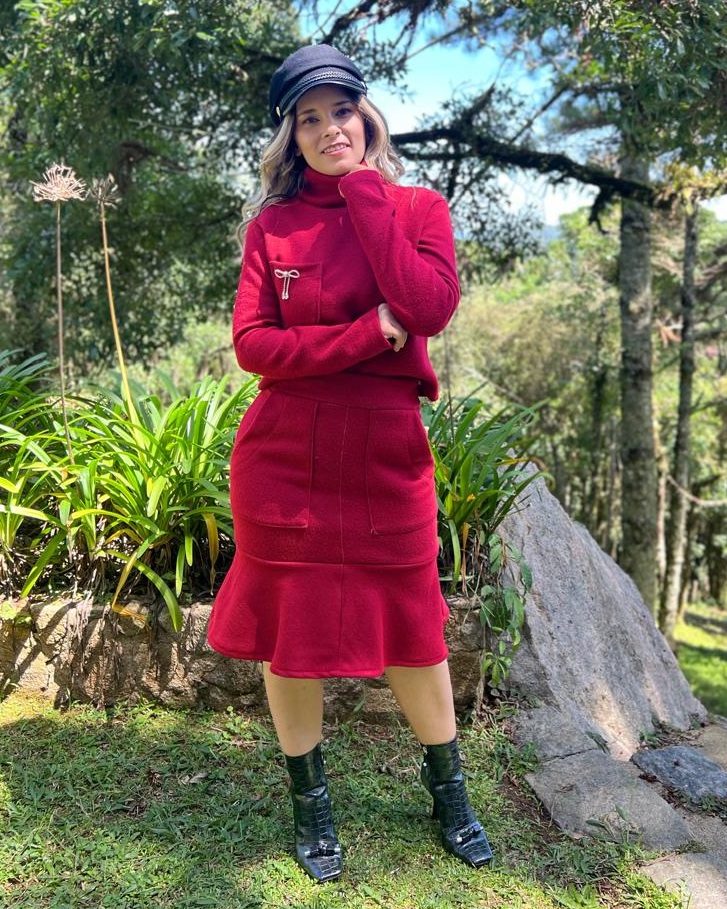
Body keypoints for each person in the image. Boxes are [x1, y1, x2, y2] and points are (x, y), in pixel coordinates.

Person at [207, 43, 493, 882]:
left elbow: (427, 305)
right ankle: (312, 805)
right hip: (284, 453)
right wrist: (364, 335)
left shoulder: (416, 207)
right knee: (289, 632)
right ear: (289, 137)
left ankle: (449, 793)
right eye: (309, 118)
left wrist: (364, 188)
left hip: (385, 449)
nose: (329, 128)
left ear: (367, 117)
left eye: (342, 110)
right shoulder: (271, 229)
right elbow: (254, 347)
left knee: (412, 625)